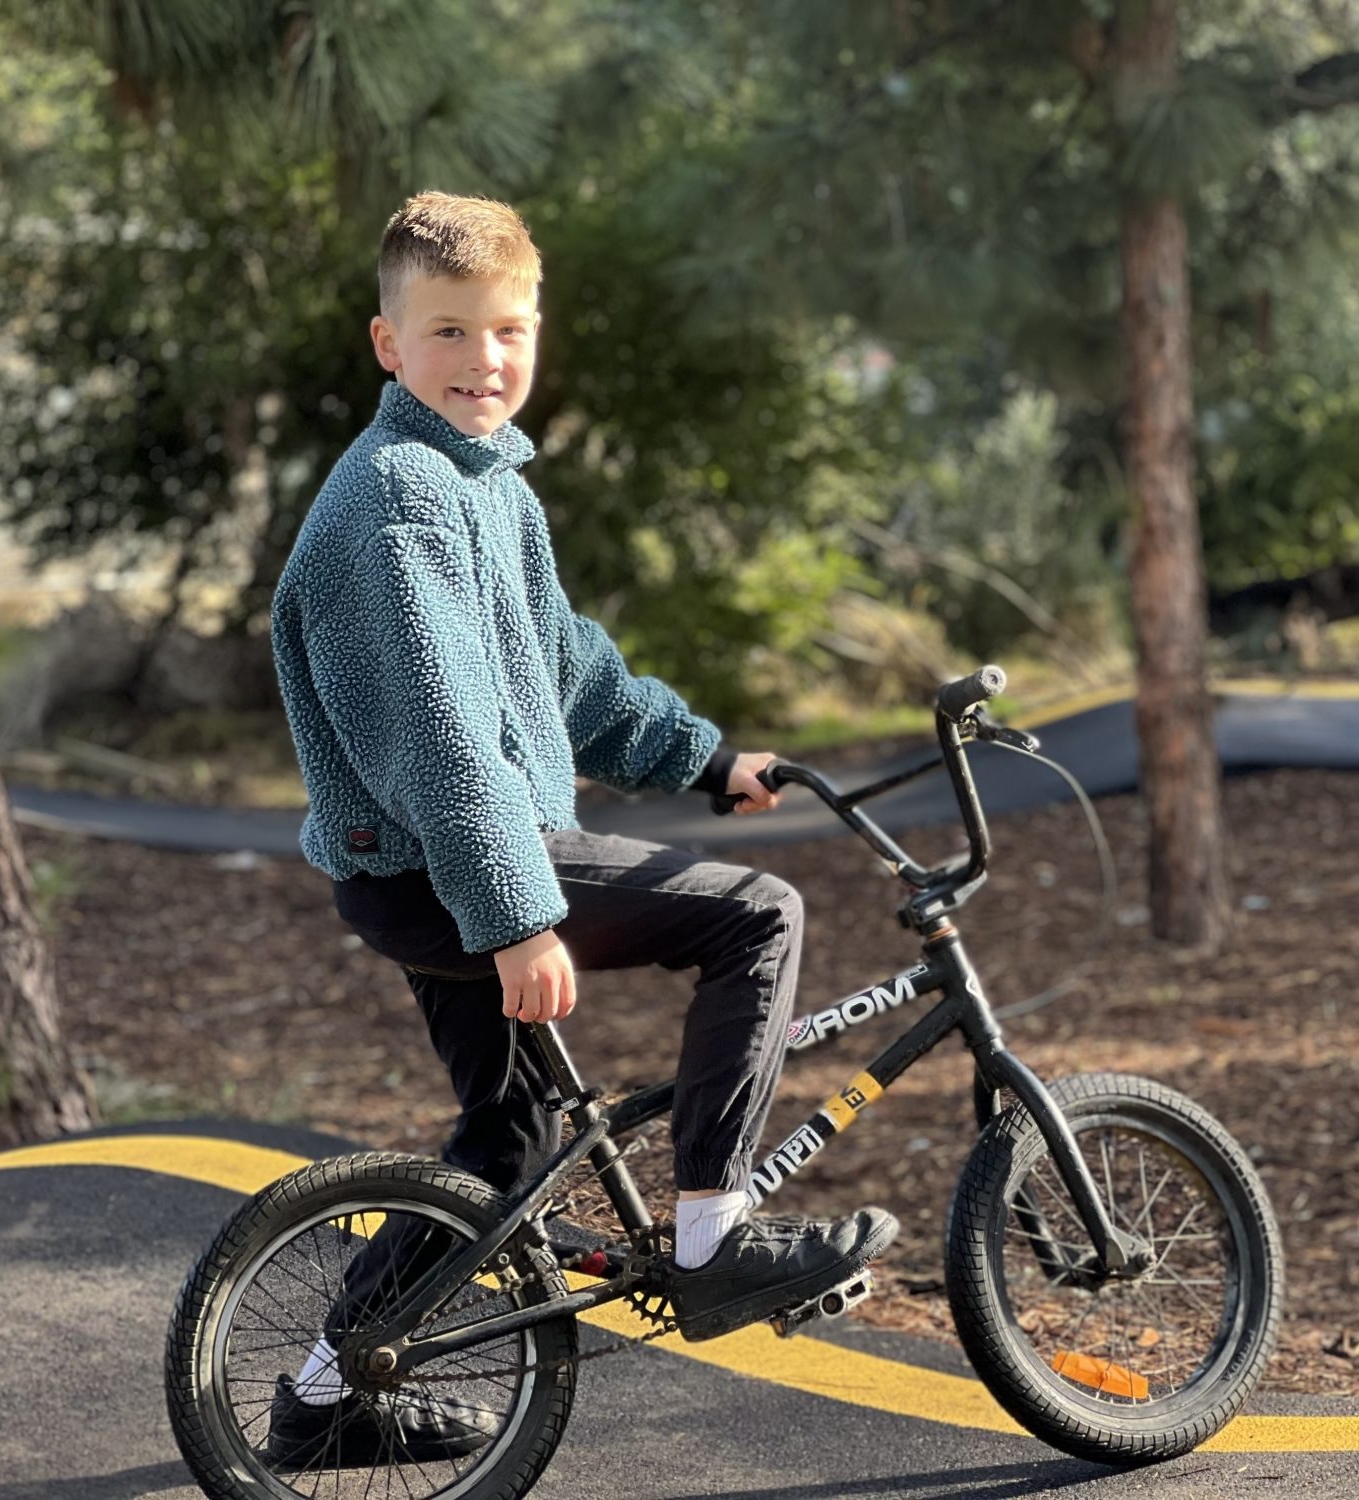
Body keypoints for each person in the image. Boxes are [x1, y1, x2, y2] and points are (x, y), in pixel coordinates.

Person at [259, 190, 897, 1465]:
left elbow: (571, 675)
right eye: (447, 332)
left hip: (436, 867)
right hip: (454, 870)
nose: (483, 361)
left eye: (506, 331)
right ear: (387, 345)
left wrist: (707, 759)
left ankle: (328, 1398)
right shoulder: (395, 502)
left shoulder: (487, 488)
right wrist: (515, 919)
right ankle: (712, 1240)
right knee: (758, 915)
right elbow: (440, 738)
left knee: (506, 1145)